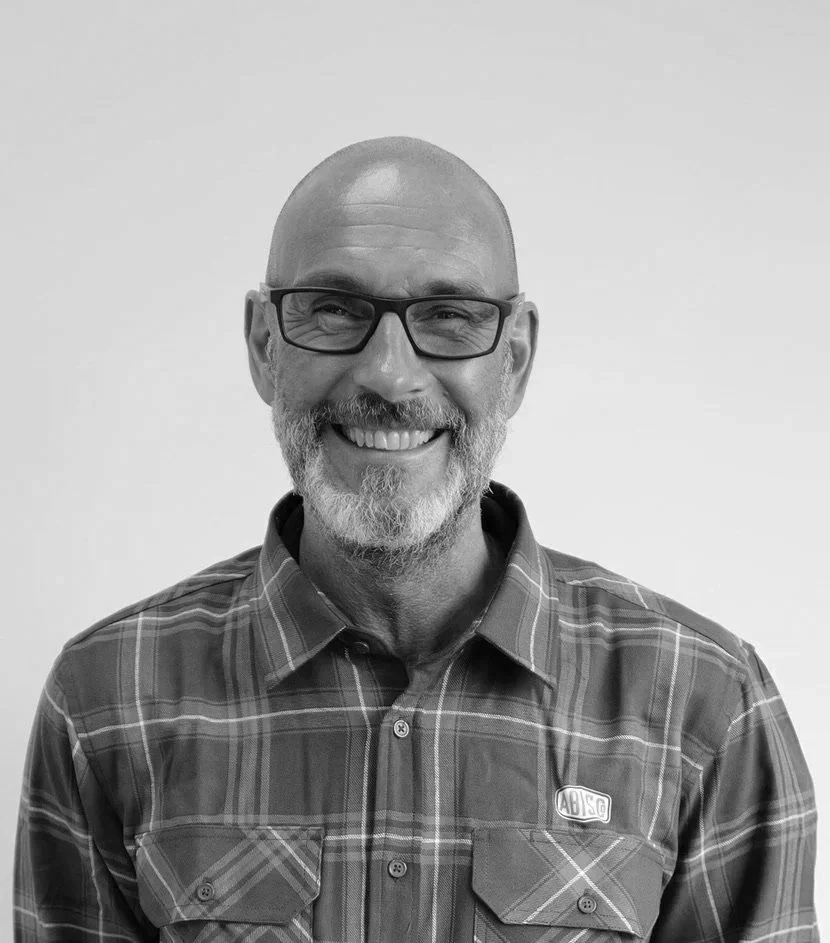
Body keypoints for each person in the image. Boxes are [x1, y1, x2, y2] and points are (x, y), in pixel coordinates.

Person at [15, 137, 818, 942]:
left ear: (516, 358)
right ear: (263, 344)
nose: (389, 376)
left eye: (449, 316)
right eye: (333, 309)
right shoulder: (106, 701)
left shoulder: (705, 704)